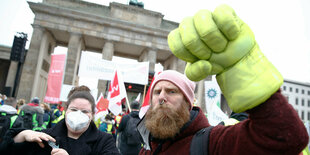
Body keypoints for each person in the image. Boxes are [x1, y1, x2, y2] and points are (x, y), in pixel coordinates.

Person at [1, 89, 120, 154]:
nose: (78, 114)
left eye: (84, 111)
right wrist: (22, 135)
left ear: (92, 115)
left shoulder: (104, 141)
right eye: (74, 109)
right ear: (66, 110)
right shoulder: (46, 136)